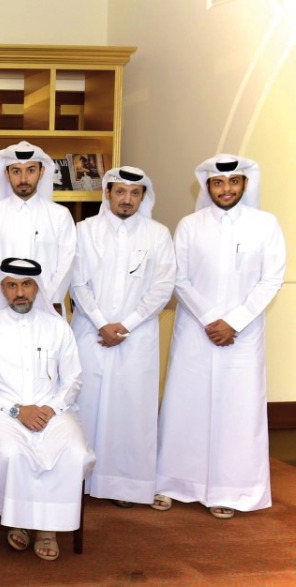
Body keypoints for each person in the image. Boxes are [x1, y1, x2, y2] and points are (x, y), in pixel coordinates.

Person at [155, 155, 286, 519]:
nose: (225, 189)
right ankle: (172, 483)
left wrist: (236, 321)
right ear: (207, 186)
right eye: (217, 183)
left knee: (237, 411)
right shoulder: (190, 225)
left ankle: (232, 490)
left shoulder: (265, 225)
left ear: (245, 184)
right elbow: (178, 277)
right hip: (196, 331)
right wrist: (212, 319)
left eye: (233, 182)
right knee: (185, 406)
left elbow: (271, 279)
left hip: (242, 336)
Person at [0, 258, 93, 561]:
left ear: (37, 288)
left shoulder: (57, 328)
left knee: (72, 450)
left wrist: (50, 408)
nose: (20, 292)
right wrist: (16, 410)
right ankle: (19, 519)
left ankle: (49, 529)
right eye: (12, 285)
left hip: (52, 410)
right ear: (2, 289)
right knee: (11, 452)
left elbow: (73, 379)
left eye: (26, 284)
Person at [70, 167, 175, 508]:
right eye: (120, 192)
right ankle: (79, 480)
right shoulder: (84, 231)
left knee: (129, 410)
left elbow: (162, 287)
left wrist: (126, 324)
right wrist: (101, 322)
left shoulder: (158, 235)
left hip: (137, 335)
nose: (127, 199)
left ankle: (124, 484)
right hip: (91, 332)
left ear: (143, 197)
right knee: (86, 404)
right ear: (108, 193)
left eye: (135, 193)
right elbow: (76, 281)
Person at [0, 141, 76, 308]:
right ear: (6, 173)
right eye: (16, 171)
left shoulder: (60, 216)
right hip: (2, 311)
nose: (23, 179)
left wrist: (44, 304)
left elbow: (66, 265)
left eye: (31, 170)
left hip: (47, 312)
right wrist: (1, 302)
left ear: (42, 172)